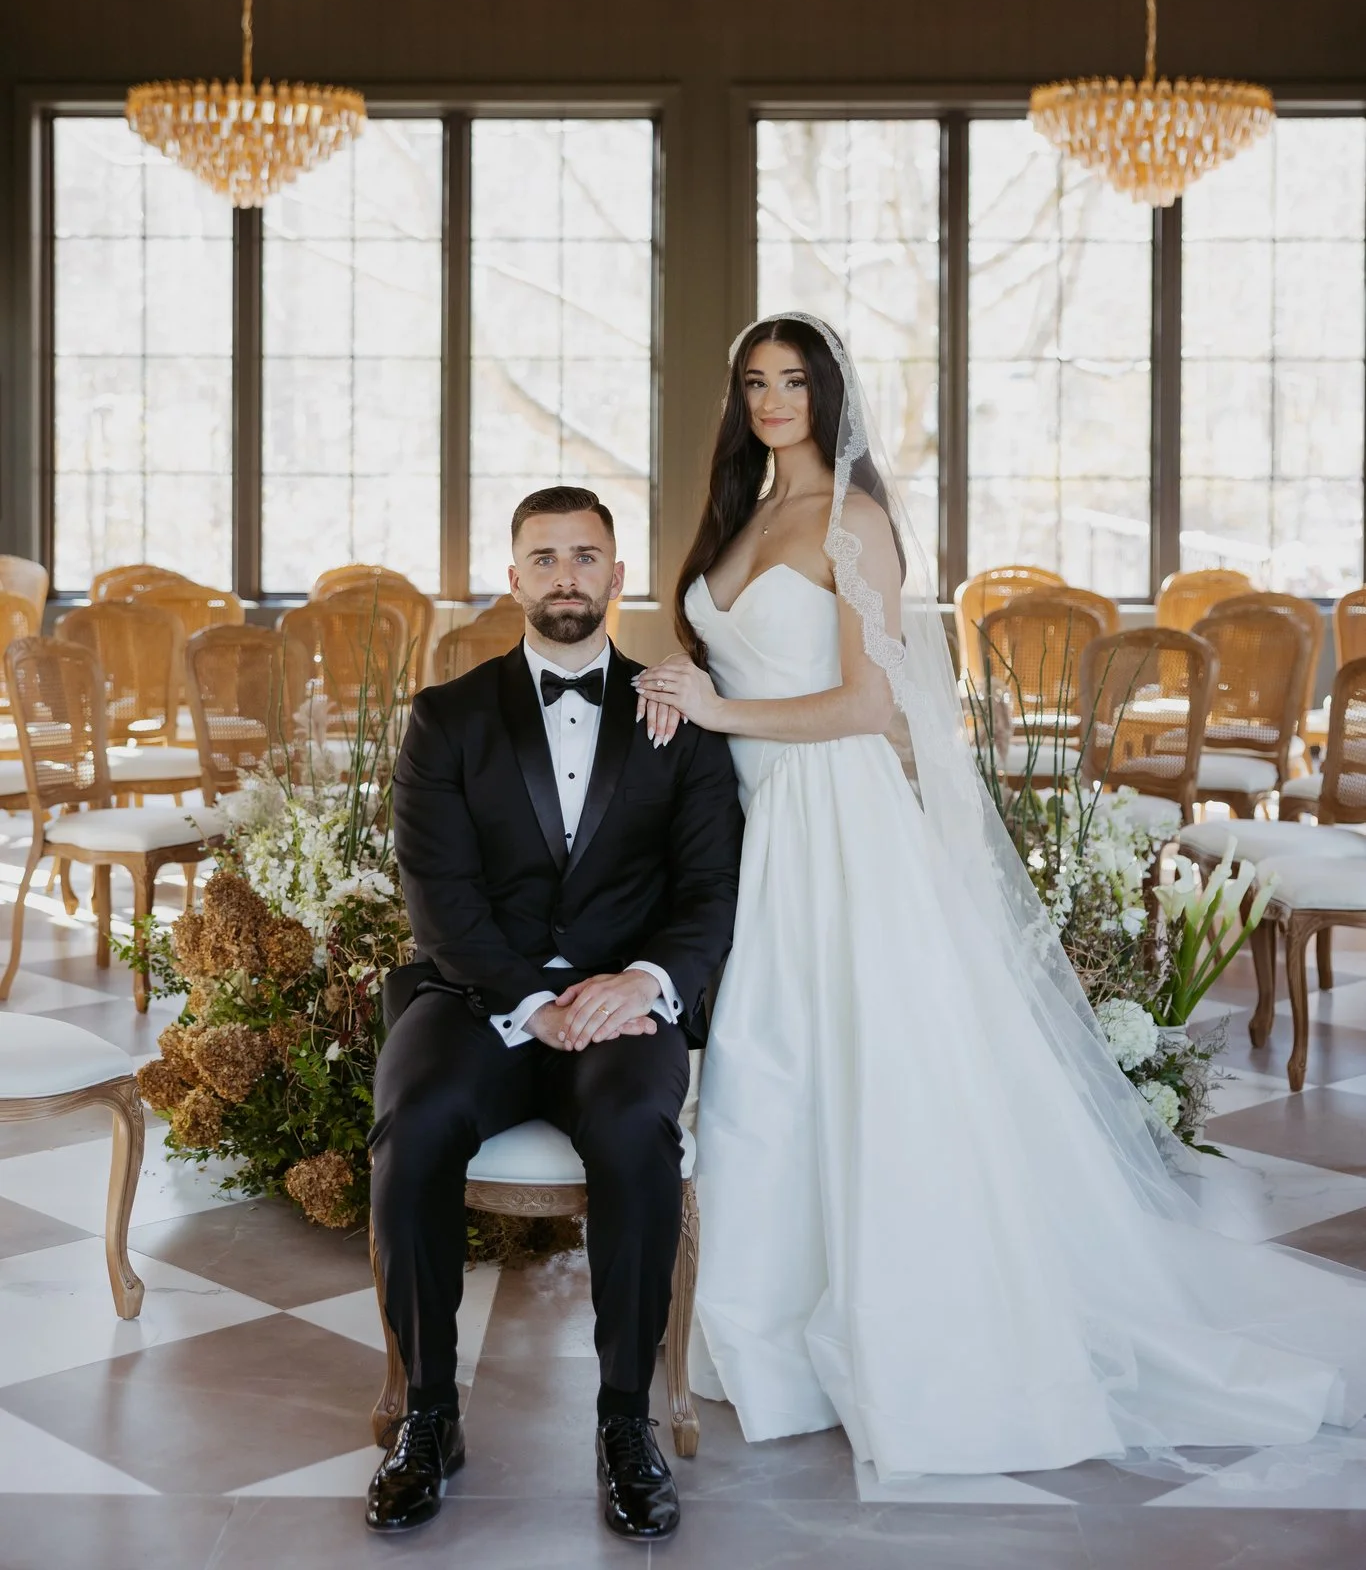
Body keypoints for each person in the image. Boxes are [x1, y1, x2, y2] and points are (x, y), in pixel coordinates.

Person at [633, 312, 1366, 1480]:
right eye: (754, 381)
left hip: (833, 819)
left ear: (830, 393)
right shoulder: (745, 514)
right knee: (771, 1076)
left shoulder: (853, 519)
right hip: (756, 819)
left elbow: (868, 707)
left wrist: (718, 710)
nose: (773, 399)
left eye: (793, 380)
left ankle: (897, 1335)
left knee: (848, 1070)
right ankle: (765, 1336)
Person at [367, 485, 743, 1537]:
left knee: (635, 1133)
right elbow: (438, 896)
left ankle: (625, 1419)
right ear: (513, 577)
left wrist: (643, 983)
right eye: (545, 556)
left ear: (618, 577)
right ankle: (428, 1414)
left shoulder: (683, 711)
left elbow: (709, 887)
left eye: (587, 555)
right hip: (476, 996)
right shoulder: (448, 715)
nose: (567, 573)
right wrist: (531, 1002)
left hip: (622, 1004)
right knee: (417, 1121)